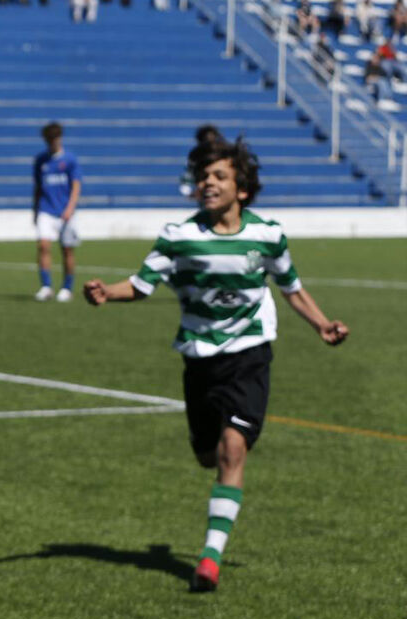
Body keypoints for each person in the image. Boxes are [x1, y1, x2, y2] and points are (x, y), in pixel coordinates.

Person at [82, 138, 348, 593]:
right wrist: (109, 291)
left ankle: (209, 558)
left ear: (242, 189)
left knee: (232, 449)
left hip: (249, 354)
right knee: (207, 455)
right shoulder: (178, 235)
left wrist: (321, 324)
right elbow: (142, 284)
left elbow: (291, 287)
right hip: (199, 357)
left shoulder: (267, 235)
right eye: (204, 176)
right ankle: (213, 519)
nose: (208, 183)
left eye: (220, 176)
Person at [32, 122, 83, 302]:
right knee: (43, 246)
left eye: (54, 138)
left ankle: (67, 288)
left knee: (67, 250)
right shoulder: (40, 161)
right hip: (46, 209)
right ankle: (46, 287)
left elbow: (76, 185)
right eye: (49, 139)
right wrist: (35, 210)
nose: (52, 142)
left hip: (65, 211)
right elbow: (38, 187)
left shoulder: (69, 160)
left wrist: (70, 208)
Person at [179, 124, 225, 199]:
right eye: (206, 140)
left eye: (212, 140)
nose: (210, 144)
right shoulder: (195, 157)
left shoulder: (225, 155)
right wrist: (189, 193)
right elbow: (187, 176)